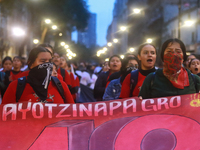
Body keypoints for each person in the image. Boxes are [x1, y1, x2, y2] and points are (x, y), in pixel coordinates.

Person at [2, 46, 74, 104]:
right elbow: (4, 115)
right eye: (43, 61)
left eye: (49, 61)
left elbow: (72, 114)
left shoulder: (61, 85)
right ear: (31, 63)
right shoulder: (15, 86)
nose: (47, 64)